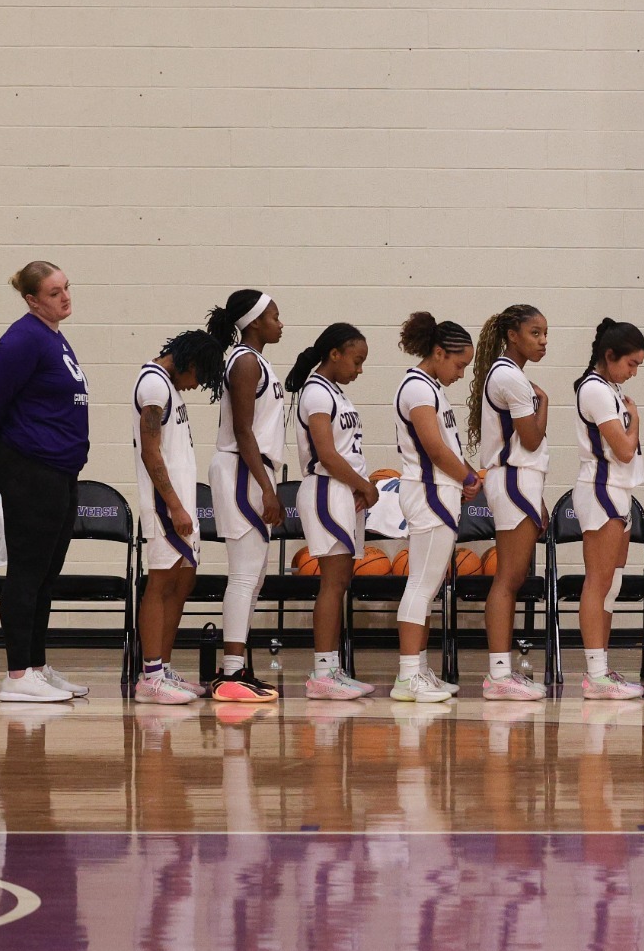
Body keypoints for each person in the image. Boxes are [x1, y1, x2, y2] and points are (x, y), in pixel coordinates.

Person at [0, 261, 91, 704]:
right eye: (53, 292)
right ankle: (17, 672)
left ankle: (37, 667)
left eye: (66, 287)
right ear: (31, 300)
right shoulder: (22, 339)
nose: (64, 297)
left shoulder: (53, 338)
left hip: (59, 470)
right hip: (29, 468)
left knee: (46, 574)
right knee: (27, 571)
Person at [129, 328, 226, 706]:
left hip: (180, 502)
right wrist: (174, 505)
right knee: (162, 582)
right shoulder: (153, 385)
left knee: (183, 582)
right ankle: (150, 676)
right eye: (200, 375)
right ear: (188, 362)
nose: (199, 383)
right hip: (165, 504)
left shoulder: (168, 385)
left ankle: (162, 667)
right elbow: (151, 454)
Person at [289, 323, 380, 702]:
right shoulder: (315, 392)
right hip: (327, 489)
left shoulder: (334, 393)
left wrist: (359, 486)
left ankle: (332, 668)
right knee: (332, 583)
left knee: (340, 583)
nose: (359, 370)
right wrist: (364, 484)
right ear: (335, 354)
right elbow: (326, 454)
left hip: (343, 492)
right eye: (356, 361)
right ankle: (324, 672)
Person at [204, 289, 286, 703]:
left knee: (253, 578)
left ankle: (237, 669)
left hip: (252, 469)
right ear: (254, 322)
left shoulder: (258, 361)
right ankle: (231, 674)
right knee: (243, 574)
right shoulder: (246, 361)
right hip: (242, 468)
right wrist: (267, 488)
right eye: (274, 314)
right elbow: (243, 431)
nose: (280, 321)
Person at [391, 312, 479, 703]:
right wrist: (467, 478)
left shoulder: (431, 388)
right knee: (421, 584)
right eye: (459, 364)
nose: (461, 374)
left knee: (428, 585)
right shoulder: (418, 388)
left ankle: (419, 669)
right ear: (440, 352)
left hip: (438, 490)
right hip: (427, 491)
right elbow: (434, 447)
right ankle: (408, 676)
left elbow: (449, 449)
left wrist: (467, 473)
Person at [469, 304, 552, 701]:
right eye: (535, 333)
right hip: (514, 478)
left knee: (512, 578)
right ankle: (499, 675)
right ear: (513, 335)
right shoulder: (509, 377)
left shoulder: (509, 374)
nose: (543, 342)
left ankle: (501, 674)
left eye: (545, 334)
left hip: (521, 480)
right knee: (508, 579)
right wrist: (545, 406)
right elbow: (531, 440)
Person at [572, 319, 644, 701]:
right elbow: (622, 448)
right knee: (598, 581)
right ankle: (595, 674)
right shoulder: (594, 389)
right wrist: (635, 422)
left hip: (617, 490)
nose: (633, 372)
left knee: (611, 585)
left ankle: (601, 668)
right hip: (600, 489)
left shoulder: (610, 388)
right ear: (610, 356)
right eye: (631, 364)